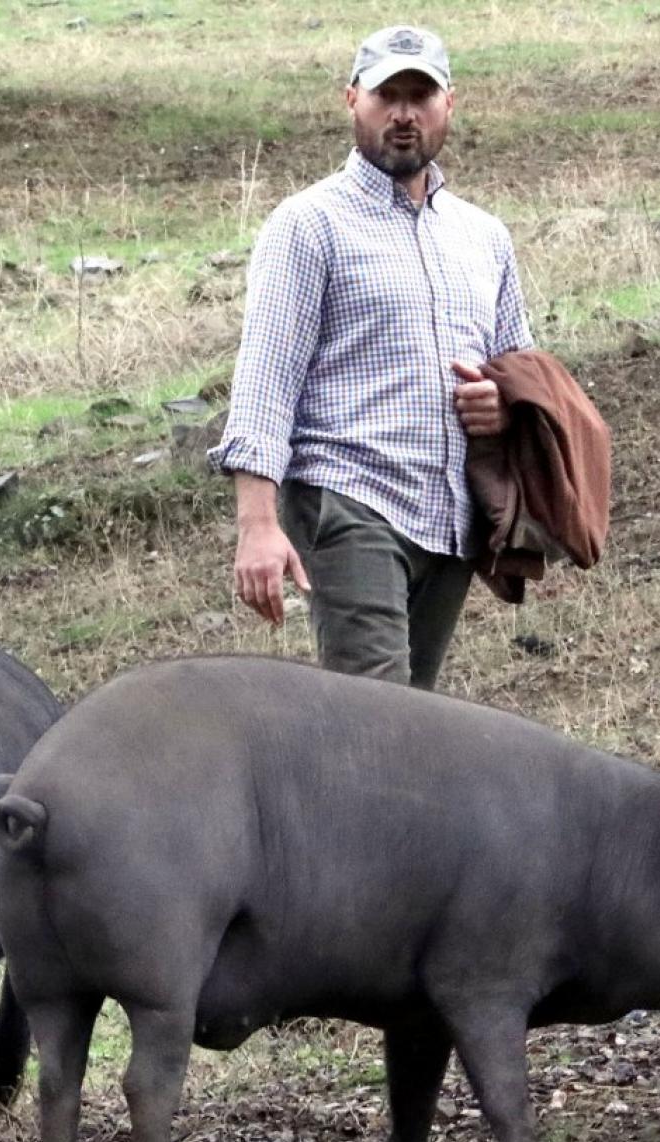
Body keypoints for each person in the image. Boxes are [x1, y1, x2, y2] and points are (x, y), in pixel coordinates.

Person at [209, 23, 533, 689]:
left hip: (449, 517)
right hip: (349, 501)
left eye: (421, 96)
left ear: (449, 104)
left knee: (408, 720)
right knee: (377, 716)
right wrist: (257, 525)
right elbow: (266, 378)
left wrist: (500, 406)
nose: (404, 114)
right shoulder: (309, 224)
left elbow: (521, 371)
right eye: (387, 95)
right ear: (352, 99)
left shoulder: (484, 237)